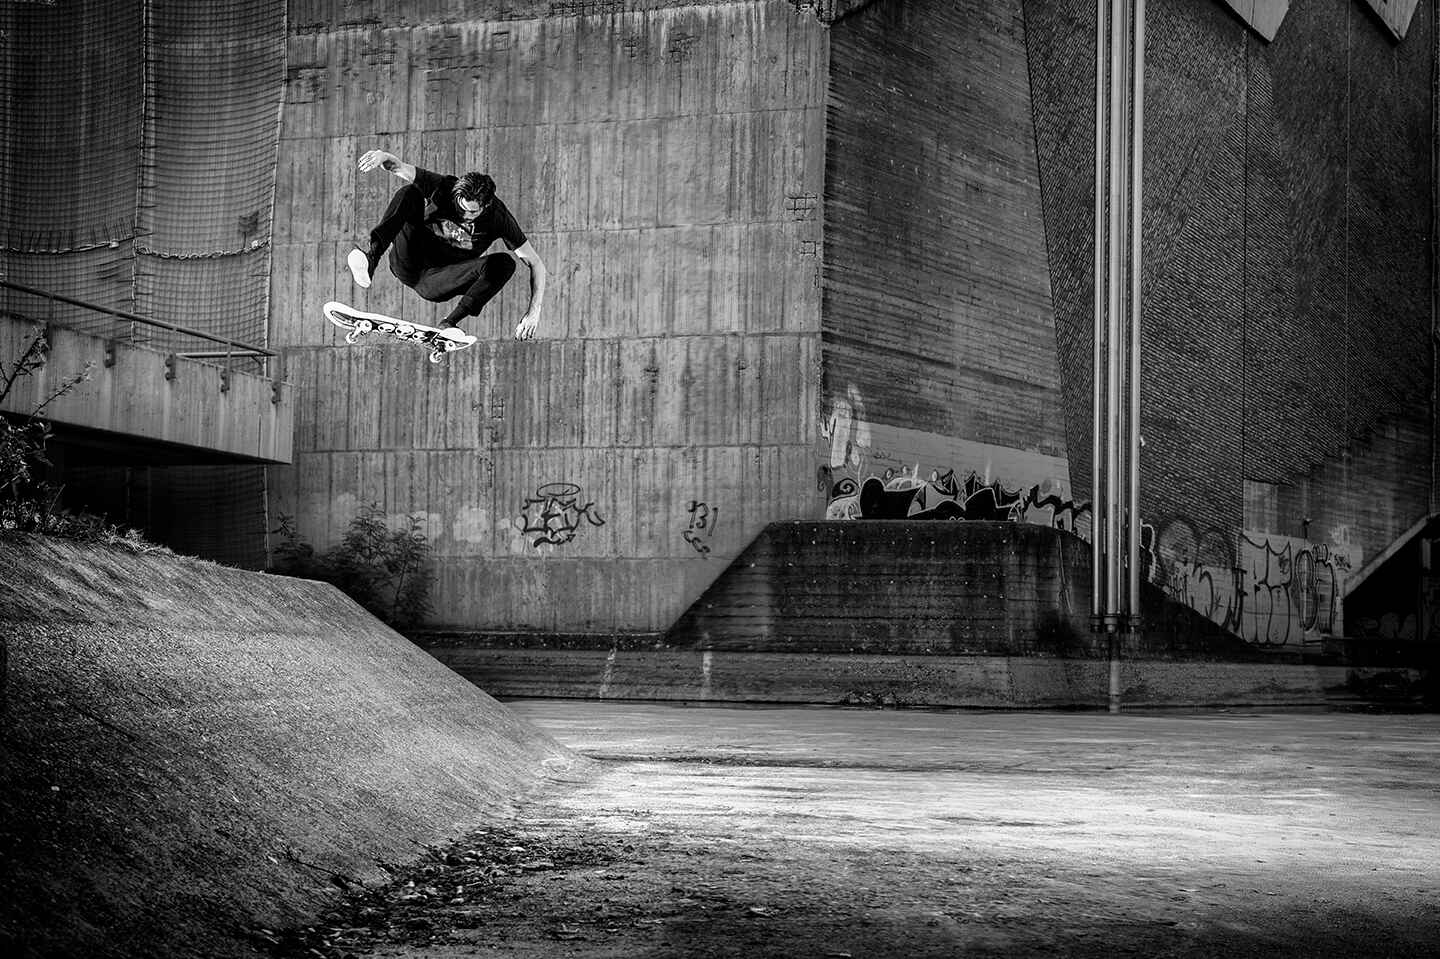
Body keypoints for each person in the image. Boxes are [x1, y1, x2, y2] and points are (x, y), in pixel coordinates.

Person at [347, 149, 546, 341]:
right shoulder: (445, 187)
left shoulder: (499, 218)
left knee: (504, 263)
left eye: (472, 212)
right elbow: (397, 166)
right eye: (461, 207)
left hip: (438, 280)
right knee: (410, 192)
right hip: (408, 260)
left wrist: (533, 312)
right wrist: (382, 156)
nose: (465, 215)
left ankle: (449, 324)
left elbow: (536, 263)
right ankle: (371, 259)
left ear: (486, 206)